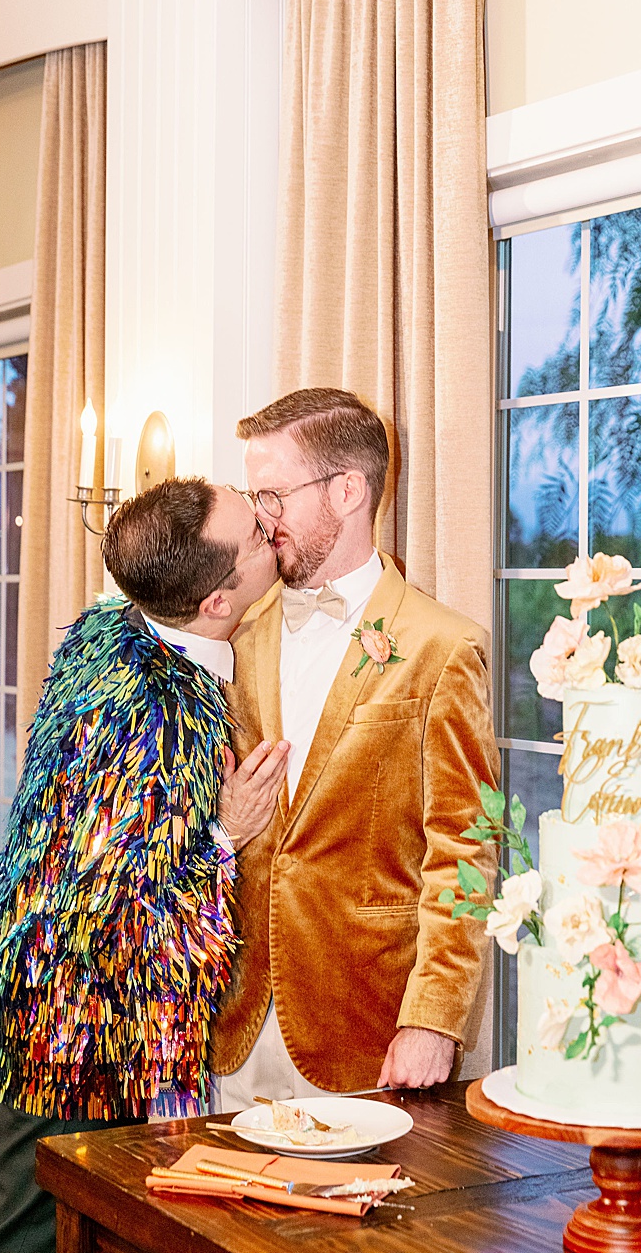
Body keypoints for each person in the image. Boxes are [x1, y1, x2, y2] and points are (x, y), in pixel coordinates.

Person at [0, 477, 290, 1253]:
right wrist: (225, 833)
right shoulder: (153, 706)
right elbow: (116, 899)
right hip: (73, 1014)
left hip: (57, 990)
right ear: (215, 600)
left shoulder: (115, 630)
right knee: (29, 1236)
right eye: (255, 530)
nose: (271, 522)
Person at [215, 387, 498, 1108]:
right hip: (231, 1026)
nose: (260, 518)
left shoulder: (444, 646)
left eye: (273, 494)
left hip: (367, 1031)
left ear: (346, 490)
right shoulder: (235, 635)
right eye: (255, 495)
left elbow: (466, 850)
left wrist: (433, 1017)